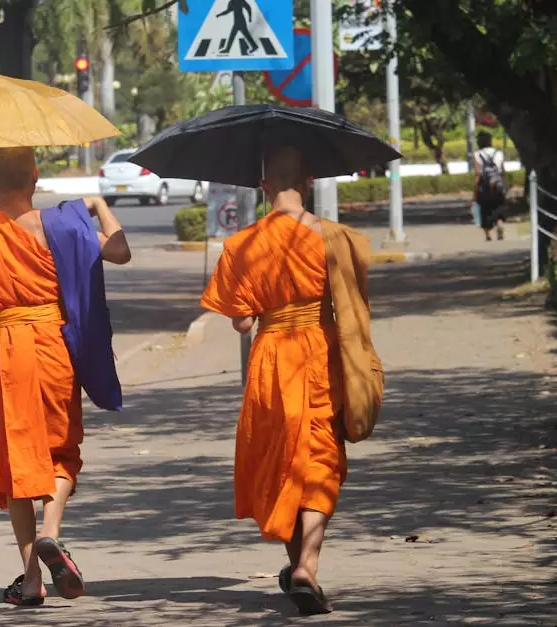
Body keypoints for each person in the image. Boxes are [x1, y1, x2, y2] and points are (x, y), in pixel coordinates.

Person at [0, 146, 131, 607]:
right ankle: (52, 532)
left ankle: (31, 581)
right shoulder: (62, 227)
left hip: (6, 349)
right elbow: (121, 251)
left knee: (15, 463)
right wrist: (100, 205)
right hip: (51, 346)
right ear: (36, 177)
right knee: (61, 450)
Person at [200, 147, 383, 615]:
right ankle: (308, 565)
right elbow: (354, 304)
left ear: (263, 187)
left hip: (271, 359)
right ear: (310, 181)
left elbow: (241, 322)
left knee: (280, 461)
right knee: (320, 457)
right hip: (321, 354)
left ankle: (296, 563)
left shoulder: (241, 245)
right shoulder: (335, 238)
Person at [473, 130, 508, 241]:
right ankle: (499, 222)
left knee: (485, 209)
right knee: (498, 206)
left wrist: (475, 191)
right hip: (498, 185)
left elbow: (478, 173)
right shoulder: (499, 153)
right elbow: (503, 172)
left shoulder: (477, 154)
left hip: (485, 187)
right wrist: (504, 185)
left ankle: (488, 235)